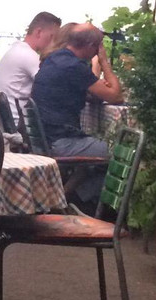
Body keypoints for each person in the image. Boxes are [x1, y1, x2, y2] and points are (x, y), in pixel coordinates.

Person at [30, 23, 124, 207]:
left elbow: (89, 93)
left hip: (45, 138)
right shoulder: (73, 66)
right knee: (120, 152)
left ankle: (65, 198)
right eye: (99, 46)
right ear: (91, 46)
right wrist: (104, 62)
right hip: (61, 142)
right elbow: (116, 96)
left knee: (94, 152)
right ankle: (77, 201)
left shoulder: (54, 59)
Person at [0, 11, 61, 115]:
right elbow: (51, 86)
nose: (54, 43)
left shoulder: (16, 50)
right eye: (52, 37)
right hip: (18, 120)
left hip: (4, 117)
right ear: (39, 32)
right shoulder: (28, 56)